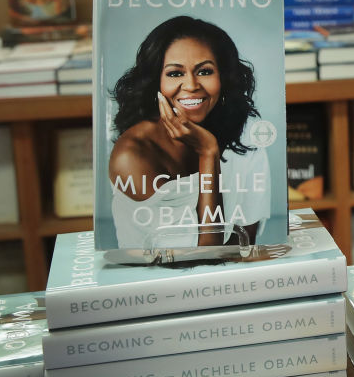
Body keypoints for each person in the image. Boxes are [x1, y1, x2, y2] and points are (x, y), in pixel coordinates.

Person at [109, 16, 271, 249]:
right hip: (154, 281)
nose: (192, 85)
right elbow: (205, 252)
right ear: (156, 81)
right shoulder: (133, 155)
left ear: (223, 77)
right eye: (175, 73)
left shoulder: (246, 136)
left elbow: (244, 244)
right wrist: (208, 152)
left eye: (204, 71)